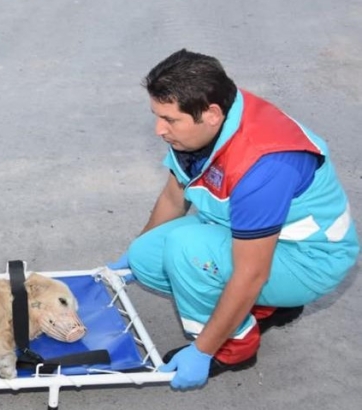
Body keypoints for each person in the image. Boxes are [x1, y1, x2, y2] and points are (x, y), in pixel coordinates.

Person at [108, 49, 359, 390]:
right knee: (145, 257)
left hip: (309, 259)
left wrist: (202, 351)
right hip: (255, 236)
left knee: (188, 251)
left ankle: (234, 346)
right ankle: (268, 306)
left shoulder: (264, 166)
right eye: (157, 116)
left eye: (169, 119)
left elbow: (251, 272)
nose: (158, 130)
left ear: (210, 114)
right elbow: (173, 196)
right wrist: (131, 256)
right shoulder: (208, 122)